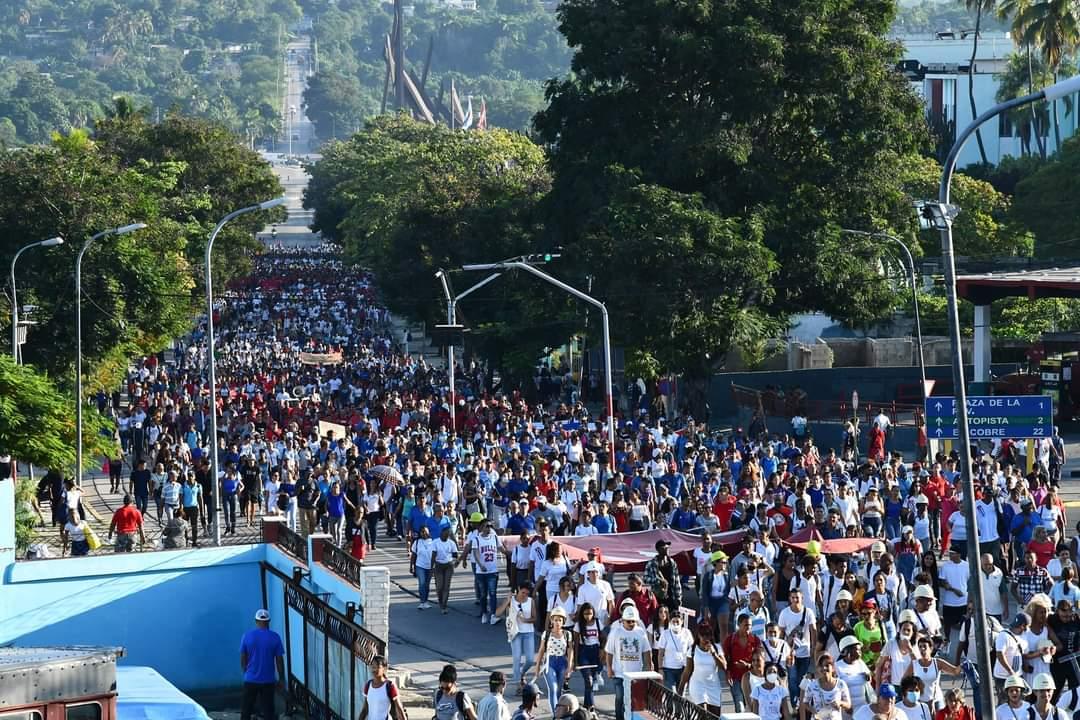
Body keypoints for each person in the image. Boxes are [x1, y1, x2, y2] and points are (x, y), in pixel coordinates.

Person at [605, 606, 652, 720]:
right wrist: (609, 668)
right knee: (620, 697)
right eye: (628, 621)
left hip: (636, 674)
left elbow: (647, 651)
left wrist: (648, 668)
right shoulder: (616, 632)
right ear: (623, 620)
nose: (631, 623)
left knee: (634, 700)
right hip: (619, 673)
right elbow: (609, 652)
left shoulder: (641, 632)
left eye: (633, 621)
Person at [239, 609, 285, 720]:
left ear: (256, 621)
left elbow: (243, 656)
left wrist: (246, 671)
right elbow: (279, 660)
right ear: (268, 621)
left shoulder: (247, 636)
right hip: (268, 680)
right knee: (268, 710)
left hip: (250, 679)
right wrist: (281, 678)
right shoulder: (275, 637)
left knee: (246, 710)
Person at [533, 608, 574, 715]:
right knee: (553, 688)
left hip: (562, 663)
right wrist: (537, 666)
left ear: (563, 622)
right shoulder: (546, 634)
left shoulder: (567, 634)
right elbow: (541, 650)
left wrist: (569, 666)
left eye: (560, 620)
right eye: (555, 620)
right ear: (551, 621)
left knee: (559, 690)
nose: (557, 623)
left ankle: (559, 712)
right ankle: (554, 714)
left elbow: (570, 650)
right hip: (549, 663)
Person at [679, 623, 726, 715]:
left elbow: (723, 666)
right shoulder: (692, 650)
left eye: (708, 634)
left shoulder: (717, 648)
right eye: (703, 635)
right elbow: (687, 671)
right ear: (698, 635)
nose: (705, 638)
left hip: (713, 686)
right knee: (703, 713)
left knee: (714, 715)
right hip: (697, 685)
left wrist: (714, 654)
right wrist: (680, 689)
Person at [499, 582, 537, 695]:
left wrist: (526, 620)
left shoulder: (531, 601)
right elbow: (498, 613)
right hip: (515, 632)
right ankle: (518, 684)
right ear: (519, 589)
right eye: (522, 592)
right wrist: (507, 600)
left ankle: (521, 673)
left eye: (527, 593)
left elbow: (535, 618)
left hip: (528, 632)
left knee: (530, 660)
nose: (524, 595)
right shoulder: (512, 600)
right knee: (517, 658)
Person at [724, 612, 762, 711]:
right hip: (735, 678)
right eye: (746, 625)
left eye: (750, 625)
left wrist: (748, 665)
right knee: (739, 706)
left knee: (752, 706)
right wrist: (727, 674)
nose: (748, 628)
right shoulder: (730, 640)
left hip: (751, 678)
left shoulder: (755, 640)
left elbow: (760, 660)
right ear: (738, 625)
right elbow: (725, 659)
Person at [801, 653, 852, 720]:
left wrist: (840, 703)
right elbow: (805, 703)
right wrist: (814, 712)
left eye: (827, 665)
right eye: (821, 666)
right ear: (817, 668)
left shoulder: (841, 684)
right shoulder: (812, 685)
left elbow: (848, 705)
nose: (824, 668)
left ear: (833, 668)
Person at [359, 655, 408, 720]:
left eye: (377, 667)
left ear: (384, 669)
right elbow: (365, 709)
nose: (374, 670)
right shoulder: (368, 685)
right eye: (373, 667)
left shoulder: (390, 686)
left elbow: (399, 708)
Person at [574, 603, 603, 711]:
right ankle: (591, 707)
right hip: (584, 653)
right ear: (582, 614)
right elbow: (576, 643)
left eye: (590, 613)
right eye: (585, 614)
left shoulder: (598, 623)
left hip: (595, 652)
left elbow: (603, 637)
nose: (588, 616)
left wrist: (602, 651)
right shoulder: (578, 625)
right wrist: (575, 660)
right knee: (588, 680)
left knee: (591, 682)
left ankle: (587, 706)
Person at [656, 611, 694, 691]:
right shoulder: (665, 634)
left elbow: (692, 649)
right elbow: (660, 653)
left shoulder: (687, 633)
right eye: (673, 621)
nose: (676, 623)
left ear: (682, 621)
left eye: (677, 621)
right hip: (668, 669)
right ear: (670, 621)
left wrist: (691, 668)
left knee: (681, 695)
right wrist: (660, 668)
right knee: (671, 693)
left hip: (683, 668)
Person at [836, 635, 873, 716]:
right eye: (857, 650)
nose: (860, 652)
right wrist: (846, 706)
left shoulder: (861, 663)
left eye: (860, 650)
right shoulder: (837, 667)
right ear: (847, 651)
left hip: (862, 708)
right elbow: (836, 689)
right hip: (847, 710)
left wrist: (868, 676)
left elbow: (869, 677)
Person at [433, 525, 460, 614]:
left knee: (446, 586)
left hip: (448, 565)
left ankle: (444, 605)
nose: (447, 535)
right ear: (441, 533)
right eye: (446, 533)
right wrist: (431, 567)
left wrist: (456, 562)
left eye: (449, 533)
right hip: (438, 565)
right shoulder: (435, 542)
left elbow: (455, 554)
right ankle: (440, 601)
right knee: (439, 586)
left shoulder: (451, 543)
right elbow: (433, 555)